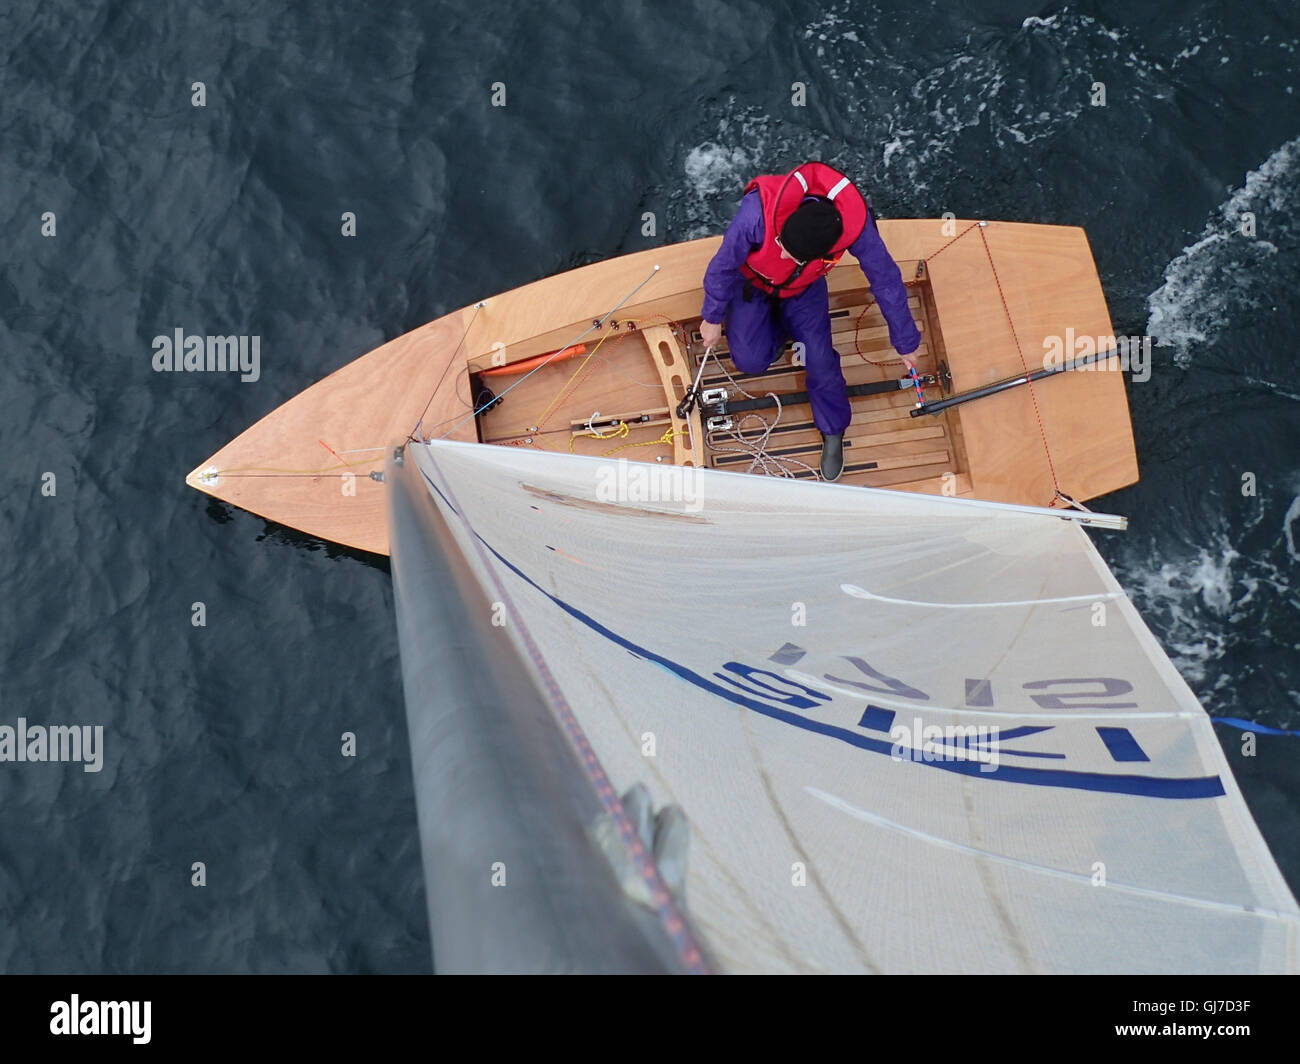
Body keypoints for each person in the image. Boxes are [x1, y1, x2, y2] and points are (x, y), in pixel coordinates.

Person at [699, 161, 921, 481]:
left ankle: (833, 430)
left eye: (788, 252)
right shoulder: (755, 214)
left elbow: (885, 278)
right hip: (754, 285)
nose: (780, 250)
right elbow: (721, 267)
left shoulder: (855, 228)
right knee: (749, 359)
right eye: (780, 242)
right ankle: (775, 333)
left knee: (819, 359)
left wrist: (905, 339)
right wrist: (712, 316)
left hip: (804, 290)